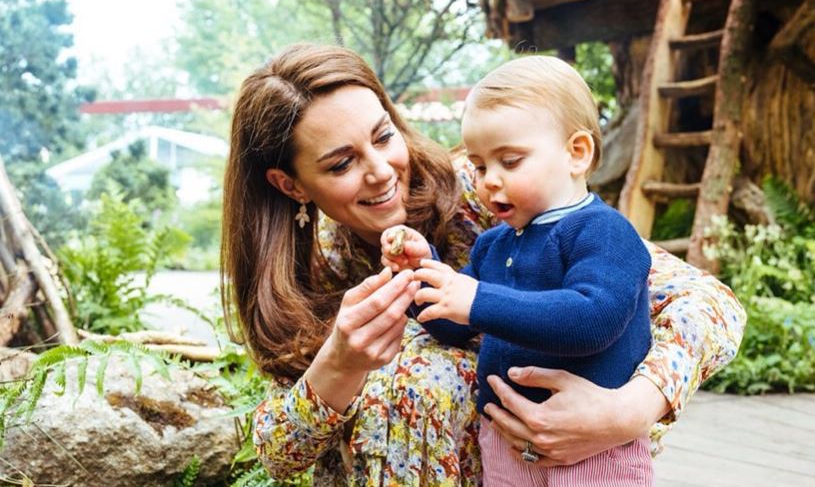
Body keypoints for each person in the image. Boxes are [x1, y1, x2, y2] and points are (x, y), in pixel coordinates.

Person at [220, 43, 746, 485]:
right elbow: (277, 454)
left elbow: (711, 304)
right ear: (290, 185)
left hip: (563, 461)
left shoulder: (492, 193)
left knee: (421, 369)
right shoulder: (307, 274)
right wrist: (340, 363)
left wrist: (629, 411)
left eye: (384, 137)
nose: (381, 171)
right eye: (342, 162)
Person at [380, 55, 654, 485]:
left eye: (510, 161)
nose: (489, 180)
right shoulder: (493, 244)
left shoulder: (603, 231)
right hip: (506, 440)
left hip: (593, 450)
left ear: (576, 153)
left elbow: (594, 318)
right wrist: (420, 272)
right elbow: (456, 324)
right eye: (481, 165)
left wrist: (476, 298)